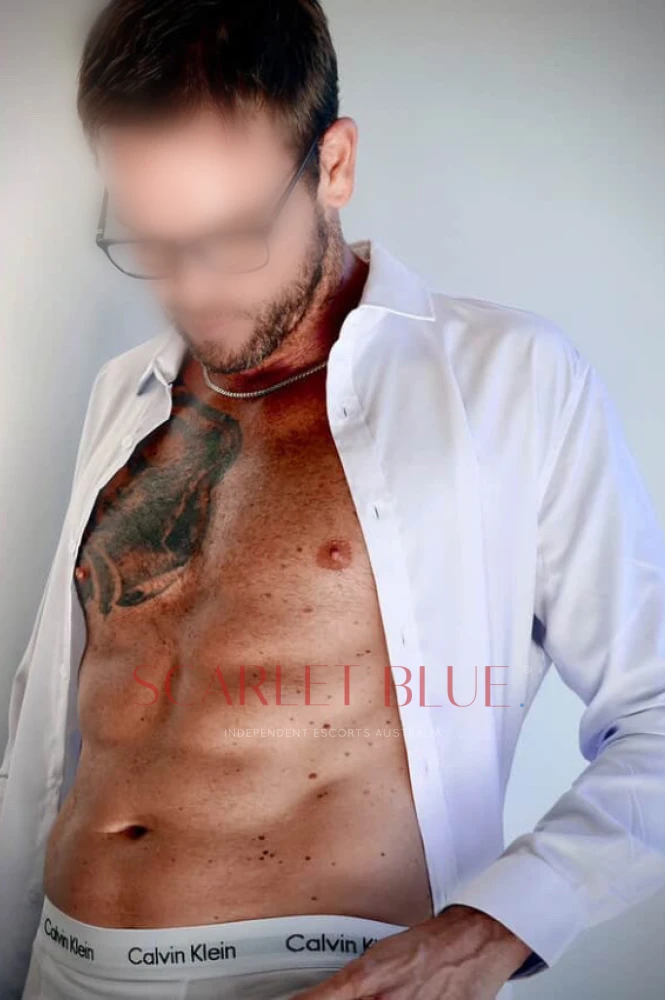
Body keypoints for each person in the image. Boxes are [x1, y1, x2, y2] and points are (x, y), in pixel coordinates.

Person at [2, 1, 665, 998]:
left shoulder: (506, 378)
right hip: (63, 967)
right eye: (150, 238)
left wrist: (490, 930)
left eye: (228, 233)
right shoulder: (125, 392)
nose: (190, 286)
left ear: (334, 164)